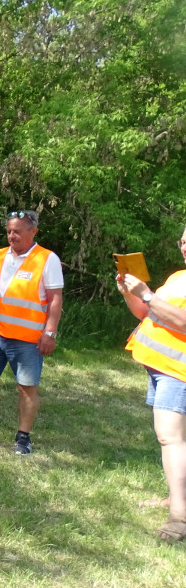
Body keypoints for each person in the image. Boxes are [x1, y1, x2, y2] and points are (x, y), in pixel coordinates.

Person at [0, 210, 64, 454]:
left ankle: (23, 437)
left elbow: (55, 299)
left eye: (17, 231)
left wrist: (49, 333)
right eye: (9, 231)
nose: (12, 236)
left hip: (27, 339)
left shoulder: (47, 259)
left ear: (33, 231)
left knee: (26, 387)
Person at [116, 224, 186, 542]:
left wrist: (146, 292)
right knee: (176, 439)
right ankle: (177, 499)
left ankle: (179, 519)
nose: (184, 246)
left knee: (170, 439)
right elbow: (148, 314)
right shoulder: (178, 277)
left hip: (178, 370)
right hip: (160, 368)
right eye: (182, 240)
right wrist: (132, 294)